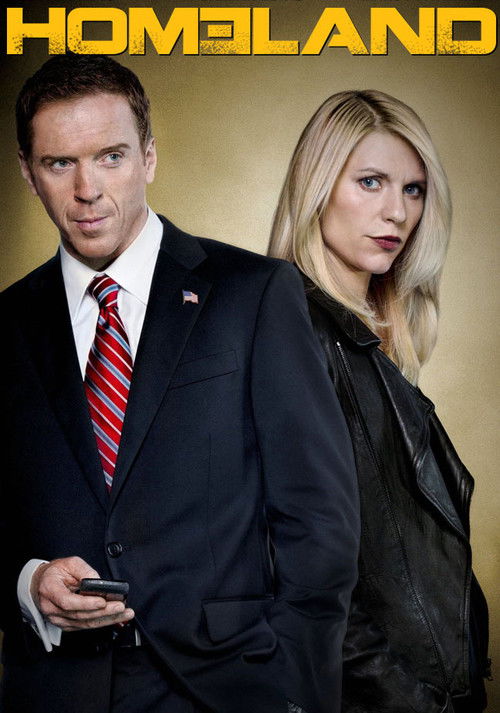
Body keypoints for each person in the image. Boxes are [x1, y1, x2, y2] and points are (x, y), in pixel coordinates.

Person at [0, 55, 360, 713]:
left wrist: (295, 693)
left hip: (225, 688)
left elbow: (320, 520)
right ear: (27, 173)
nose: (87, 189)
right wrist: (26, 582)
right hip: (55, 690)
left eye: (110, 157)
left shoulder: (253, 294)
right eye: (59, 163)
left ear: (149, 157)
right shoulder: (6, 326)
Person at [268, 89, 490, 713]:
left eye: (413, 189)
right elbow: (301, 568)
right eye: (370, 182)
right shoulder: (295, 329)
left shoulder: (364, 339)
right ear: (317, 188)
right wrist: (409, 700)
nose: (396, 212)